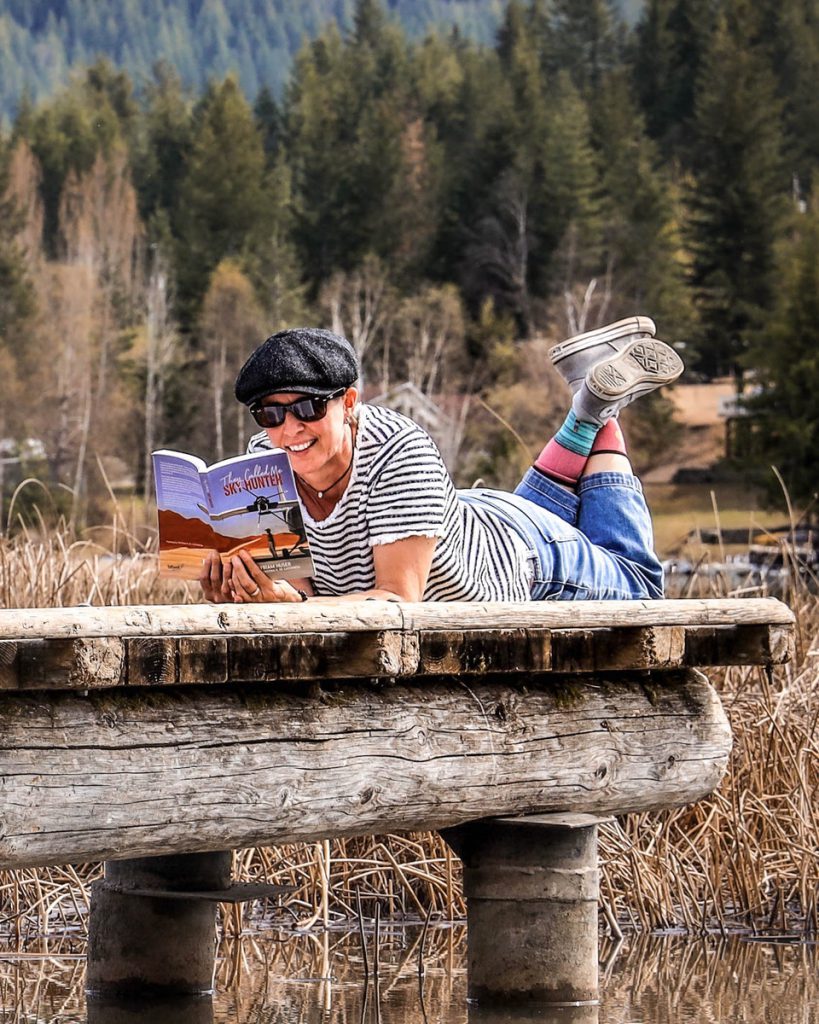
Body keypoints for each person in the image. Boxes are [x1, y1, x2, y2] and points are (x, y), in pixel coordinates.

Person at [199, 318, 683, 605]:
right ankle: (586, 395)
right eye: (269, 414)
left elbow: (397, 602)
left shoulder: (398, 451)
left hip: (523, 559)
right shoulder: (263, 466)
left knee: (643, 594)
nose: (288, 429)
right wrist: (261, 593)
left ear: (348, 403)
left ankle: (594, 407)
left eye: (307, 408)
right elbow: (304, 598)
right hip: (457, 520)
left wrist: (293, 606)